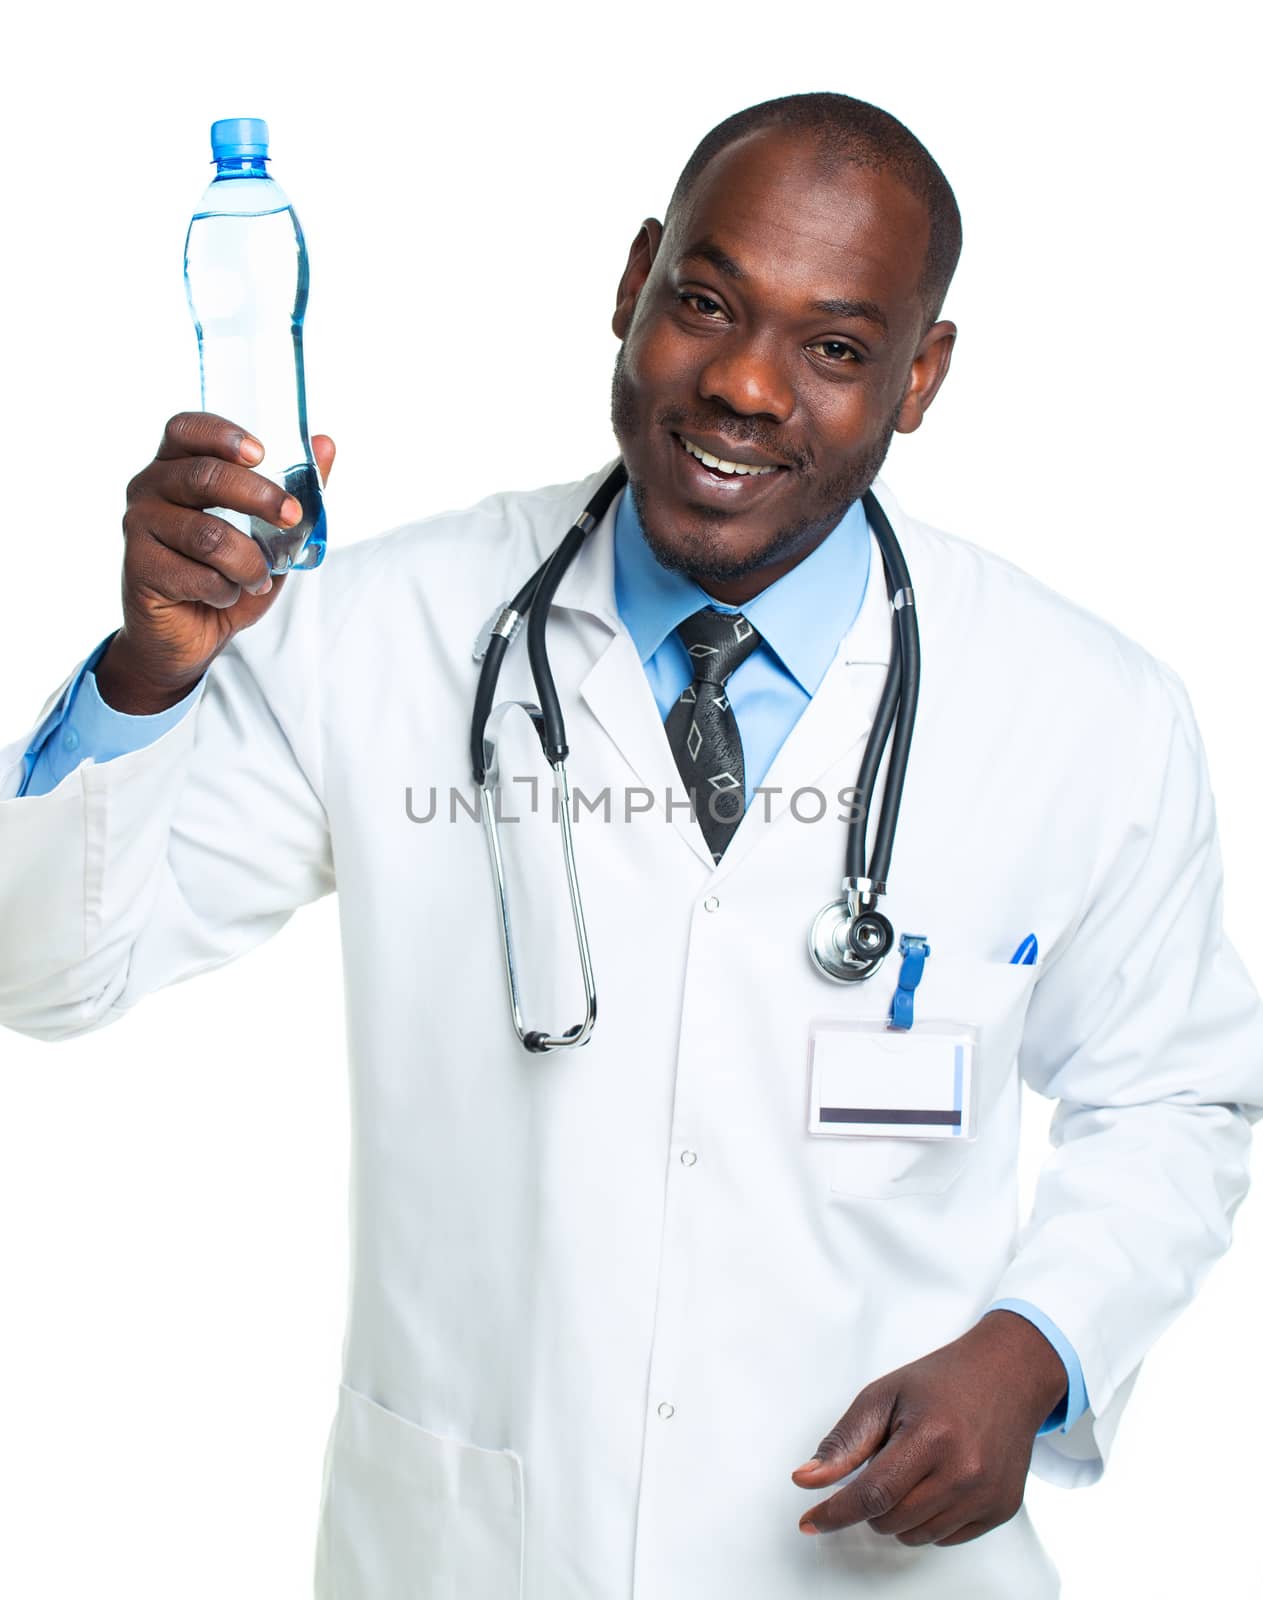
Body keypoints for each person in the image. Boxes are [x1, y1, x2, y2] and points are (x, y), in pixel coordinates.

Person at [1, 91, 1260, 1599]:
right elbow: (52, 976)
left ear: (920, 377)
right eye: (708, 303)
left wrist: (1037, 1348)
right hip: (476, 1551)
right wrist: (150, 674)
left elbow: (1177, 1093)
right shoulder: (374, 633)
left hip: (871, 1567)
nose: (742, 383)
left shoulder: (1086, 711)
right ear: (633, 282)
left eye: (836, 347)